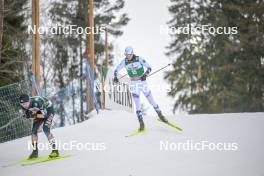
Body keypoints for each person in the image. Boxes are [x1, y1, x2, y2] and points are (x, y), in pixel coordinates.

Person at [114, 46, 168, 131]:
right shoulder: (124, 62)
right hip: (134, 84)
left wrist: (145, 75)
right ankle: (141, 123)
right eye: (126, 55)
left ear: (132, 53)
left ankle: (160, 115)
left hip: (143, 83)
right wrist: (115, 77)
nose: (128, 56)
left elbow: (149, 67)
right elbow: (116, 69)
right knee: (137, 104)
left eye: (129, 54)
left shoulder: (139, 59)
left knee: (151, 100)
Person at [19, 94, 59, 159]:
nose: (25, 105)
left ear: (29, 101)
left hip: (48, 111)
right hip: (39, 113)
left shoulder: (36, 102)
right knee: (33, 132)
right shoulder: (23, 107)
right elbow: (27, 115)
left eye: (26, 103)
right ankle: (35, 152)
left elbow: (44, 115)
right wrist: (28, 115)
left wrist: (32, 114)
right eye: (22, 104)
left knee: (46, 129)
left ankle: (55, 150)